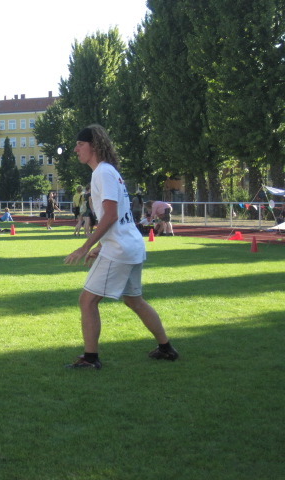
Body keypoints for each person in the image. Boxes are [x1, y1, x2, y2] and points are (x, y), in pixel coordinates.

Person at [64, 124, 178, 369]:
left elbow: (111, 215)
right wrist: (101, 246)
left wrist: (85, 247)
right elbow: (119, 217)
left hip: (120, 249)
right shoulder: (109, 172)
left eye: (80, 144)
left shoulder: (102, 173)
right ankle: (166, 348)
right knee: (134, 300)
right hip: (130, 245)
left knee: (87, 301)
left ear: (93, 146)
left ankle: (90, 358)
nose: (75, 149)